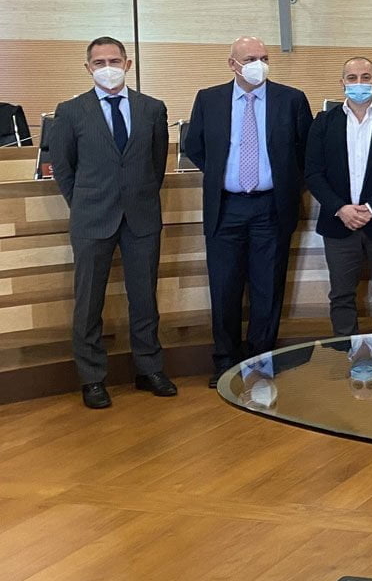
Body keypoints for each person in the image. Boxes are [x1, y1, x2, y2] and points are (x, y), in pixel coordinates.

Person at [50, 37, 175, 408]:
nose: (108, 68)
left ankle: (149, 369)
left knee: (144, 298)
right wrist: (82, 203)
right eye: (99, 62)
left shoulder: (152, 108)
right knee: (89, 301)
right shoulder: (70, 111)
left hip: (141, 217)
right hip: (92, 218)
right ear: (88, 68)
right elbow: (63, 167)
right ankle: (92, 378)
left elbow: (156, 165)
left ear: (128, 64)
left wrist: (138, 196)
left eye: (114, 61)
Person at [183, 36, 313, 388]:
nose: (259, 64)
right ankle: (225, 361)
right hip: (226, 207)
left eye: (264, 58)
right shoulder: (209, 99)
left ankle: (261, 361)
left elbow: (306, 151)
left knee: (267, 287)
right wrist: (225, 174)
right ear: (233, 64)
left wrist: (287, 184)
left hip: (271, 207)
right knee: (224, 287)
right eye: (251, 58)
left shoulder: (291, 99)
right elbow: (194, 146)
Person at [304, 57, 372, 336]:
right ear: (342, 83)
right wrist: (341, 208)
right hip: (338, 223)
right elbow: (313, 173)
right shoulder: (323, 123)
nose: (359, 83)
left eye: (365, 77)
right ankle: (345, 350)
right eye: (352, 78)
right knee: (341, 294)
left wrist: (371, 208)